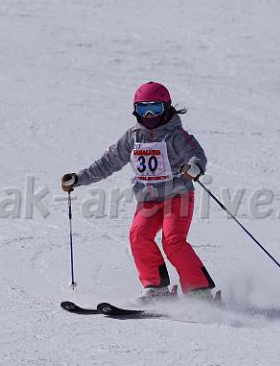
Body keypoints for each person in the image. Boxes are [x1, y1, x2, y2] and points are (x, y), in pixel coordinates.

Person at [61, 82, 215, 300]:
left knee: (173, 240)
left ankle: (199, 290)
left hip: (177, 195)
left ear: (166, 108)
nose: (149, 115)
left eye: (155, 108)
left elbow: (196, 155)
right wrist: (79, 178)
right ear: (135, 110)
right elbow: (108, 162)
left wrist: (194, 167)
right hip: (148, 199)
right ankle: (156, 287)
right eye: (143, 109)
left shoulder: (175, 136)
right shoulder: (133, 137)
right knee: (138, 236)